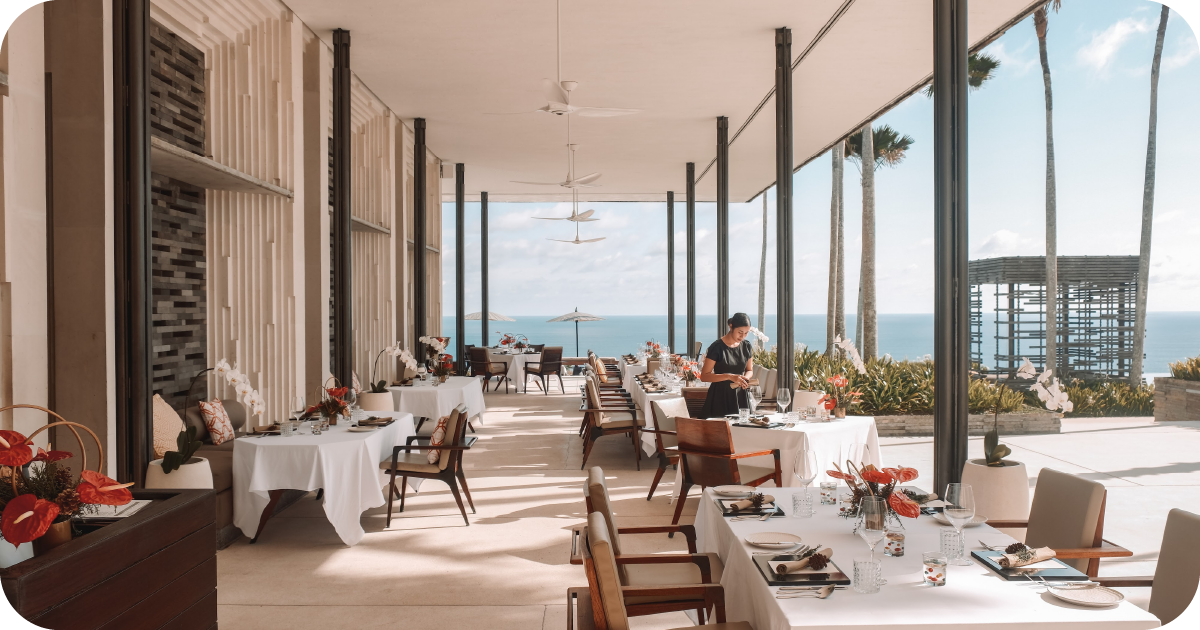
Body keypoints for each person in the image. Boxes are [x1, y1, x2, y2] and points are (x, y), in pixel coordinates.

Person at [698, 312, 755, 419]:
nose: (743, 336)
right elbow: (704, 376)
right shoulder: (717, 347)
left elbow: (749, 370)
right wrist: (729, 376)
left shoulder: (746, 346)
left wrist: (744, 379)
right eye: (740, 332)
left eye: (746, 333)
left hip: (740, 395)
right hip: (720, 397)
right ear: (731, 326)